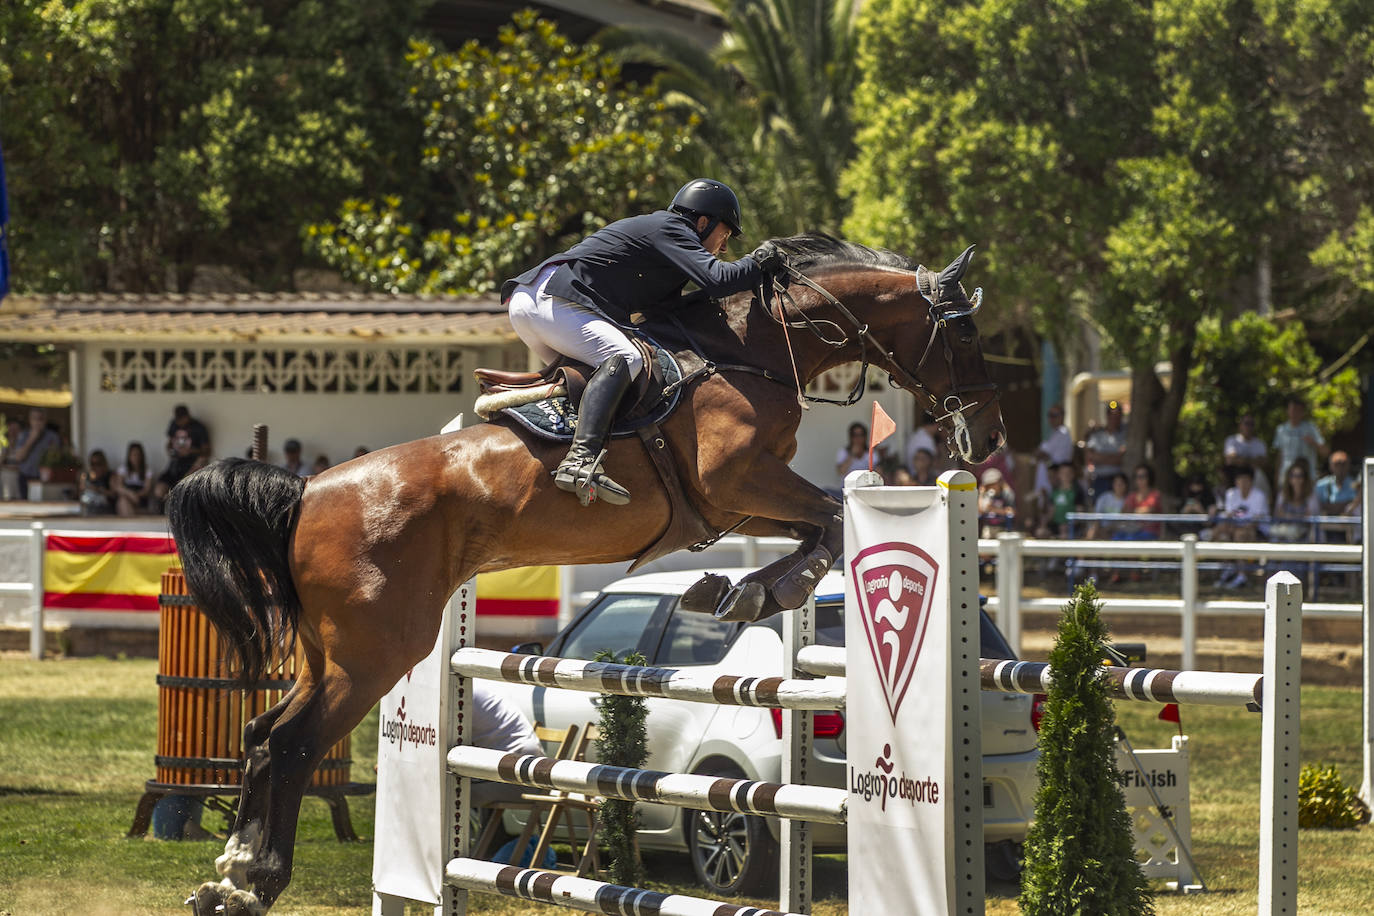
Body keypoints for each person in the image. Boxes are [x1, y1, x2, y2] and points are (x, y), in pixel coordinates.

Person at [501, 178, 782, 507]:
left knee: (605, 382)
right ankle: (579, 461)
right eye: (725, 234)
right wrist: (761, 259)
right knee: (627, 358)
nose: (723, 247)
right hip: (551, 300)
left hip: (539, 303)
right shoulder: (671, 227)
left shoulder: (667, 254)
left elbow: (667, 312)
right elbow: (719, 280)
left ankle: (571, 457)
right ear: (703, 222)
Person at [468, 682, 545, 811]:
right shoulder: (475, 687)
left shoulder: (462, 694)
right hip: (523, 768)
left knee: (452, 791)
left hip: (521, 778)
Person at [1212, 465, 1269, 588]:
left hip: (1257, 530)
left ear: (1251, 481)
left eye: (1246, 480)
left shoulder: (1259, 496)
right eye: (1240, 479)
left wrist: (1237, 527)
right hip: (1235, 528)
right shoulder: (1231, 493)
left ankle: (1241, 575)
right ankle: (1228, 568)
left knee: (1240, 535)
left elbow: (1256, 521)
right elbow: (1229, 515)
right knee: (1220, 533)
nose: (1242, 483)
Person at [6, 408, 61, 499]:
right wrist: (32, 438)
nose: (37, 422)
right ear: (30, 420)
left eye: (40, 418)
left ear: (45, 420)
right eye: (34, 418)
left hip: (45, 479)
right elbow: (18, 457)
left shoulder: (52, 436)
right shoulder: (24, 435)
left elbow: (57, 459)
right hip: (25, 477)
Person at [1270, 395, 1325, 484]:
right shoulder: (1281, 429)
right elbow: (1279, 455)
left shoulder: (1311, 428)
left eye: (1297, 410)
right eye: (1292, 409)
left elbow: (1325, 452)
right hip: (1286, 477)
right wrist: (1277, 477)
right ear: (1287, 411)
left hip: (1307, 477)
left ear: (1302, 412)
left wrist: (1313, 442)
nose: (1294, 413)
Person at [153, 427, 208, 511]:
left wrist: (175, 490)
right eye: (178, 439)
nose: (181, 442)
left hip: (186, 486)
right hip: (173, 485)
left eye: (184, 439)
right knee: (159, 490)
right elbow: (166, 478)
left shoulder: (198, 458)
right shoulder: (175, 457)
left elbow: (190, 475)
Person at [1269, 458, 1318, 544]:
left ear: (1305, 478)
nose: (1296, 479)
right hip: (1284, 533)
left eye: (1300, 476)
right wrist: (1298, 516)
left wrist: (1289, 516)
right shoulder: (1283, 494)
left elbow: (1311, 518)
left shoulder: (1310, 495)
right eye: (1293, 476)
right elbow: (1278, 514)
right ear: (1289, 478)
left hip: (1304, 535)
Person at [1084, 400, 1127, 499]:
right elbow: (1089, 456)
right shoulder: (1097, 435)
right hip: (1099, 480)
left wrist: (1099, 457)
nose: (1114, 418)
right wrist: (1113, 458)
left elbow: (1121, 458)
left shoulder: (1125, 436)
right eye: (1111, 415)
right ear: (1107, 416)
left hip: (1118, 480)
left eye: (1117, 415)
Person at [1222, 413, 1270, 497]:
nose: (1249, 427)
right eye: (1246, 423)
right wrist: (1252, 461)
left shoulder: (1260, 443)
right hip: (1234, 475)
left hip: (1254, 476)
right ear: (1240, 425)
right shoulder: (1232, 440)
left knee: (1260, 475)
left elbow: (1264, 463)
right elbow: (1230, 460)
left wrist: (1241, 460)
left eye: (1252, 424)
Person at [1113, 463, 1163, 541]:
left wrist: (1133, 511)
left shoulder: (1155, 494)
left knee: (1130, 539)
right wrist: (1135, 512)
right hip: (1132, 530)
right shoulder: (1132, 495)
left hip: (1149, 532)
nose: (1139, 479)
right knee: (1116, 537)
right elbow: (1123, 512)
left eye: (1142, 476)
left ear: (1149, 478)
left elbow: (1149, 509)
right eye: (1136, 476)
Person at [1036, 462, 1086, 539]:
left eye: (1068, 473)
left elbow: (1079, 514)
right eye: (1063, 473)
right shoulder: (1055, 492)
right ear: (1059, 475)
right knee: (1040, 533)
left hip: (1071, 528)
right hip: (1055, 526)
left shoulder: (1077, 492)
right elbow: (1051, 512)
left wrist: (1068, 526)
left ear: (1073, 474)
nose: (1066, 475)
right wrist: (1043, 524)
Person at [113, 441, 155, 517]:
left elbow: (146, 490)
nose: (136, 457)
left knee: (124, 504)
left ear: (142, 456)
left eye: (138, 455)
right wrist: (130, 494)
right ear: (129, 456)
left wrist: (136, 495)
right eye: (133, 455)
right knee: (123, 501)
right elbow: (118, 487)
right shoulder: (123, 469)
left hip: (140, 500)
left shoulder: (147, 470)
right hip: (127, 497)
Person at [1085, 471, 1129, 540]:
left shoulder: (1128, 500)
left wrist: (1108, 529)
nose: (1118, 486)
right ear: (1113, 484)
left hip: (1117, 530)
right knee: (1092, 530)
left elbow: (1123, 522)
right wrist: (1099, 529)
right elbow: (1097, 516)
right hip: (1100, 528)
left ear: (1126, 485)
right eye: (1116, 483)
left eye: (1121, 483)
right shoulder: (1104, 497)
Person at [977, 468, 1016, 537]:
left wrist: (993, 509)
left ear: (1000, 482)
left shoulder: (1007, 493)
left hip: (1003, 529)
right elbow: (980, 512)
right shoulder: (987, 494)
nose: (991, 487)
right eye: (989, 485)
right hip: (988, 528)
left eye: (993, 484)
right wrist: (981, 495)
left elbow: (1011, 512)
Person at [78, 449, 117, 515]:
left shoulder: (110, 476)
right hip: (89, 505)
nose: (95, 467)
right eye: (92, 464)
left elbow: (114, 495)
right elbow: (81, 495)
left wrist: (98, 489)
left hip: (106, 508)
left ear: (104, 463)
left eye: (98, 464)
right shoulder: (87, 476)